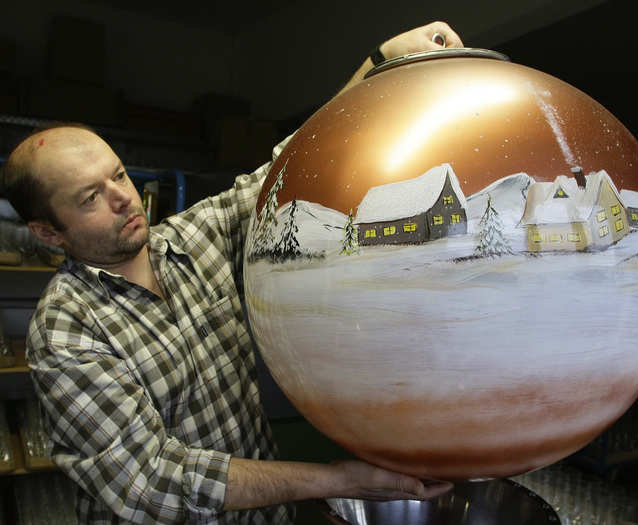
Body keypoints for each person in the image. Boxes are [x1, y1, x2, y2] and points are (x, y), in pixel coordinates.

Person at [1, 21, 463, 525]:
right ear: (48, 233)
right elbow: (150, 482)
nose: (123, 198)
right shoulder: (66, 327)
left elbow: (286, 165)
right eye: (91, 197)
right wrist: (339, 481)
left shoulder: (194, 240)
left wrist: (379, 61)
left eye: (119, 175)